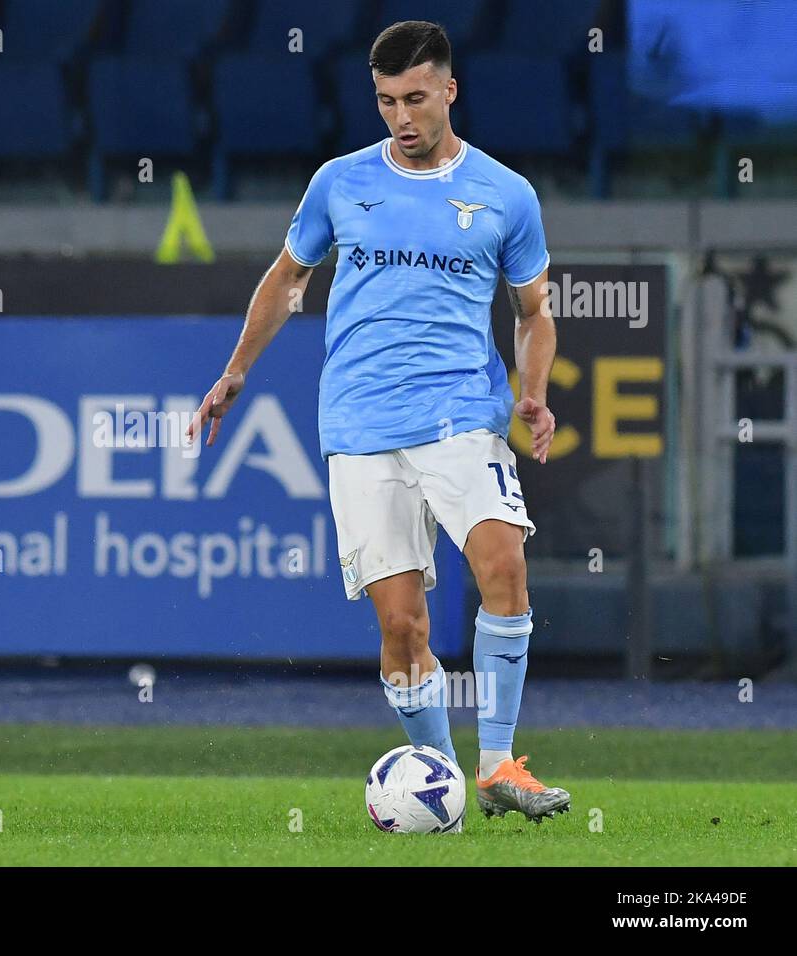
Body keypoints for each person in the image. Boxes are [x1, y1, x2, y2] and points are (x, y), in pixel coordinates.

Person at [188, 22, 570, 823]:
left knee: (502, 564)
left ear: (450, 91)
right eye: (388, 101)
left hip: (462, 413)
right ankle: (439, 785)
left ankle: (498, 764)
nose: (402, 115)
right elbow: (287, 279)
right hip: (359, 424)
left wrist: (530, 389)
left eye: (417, 98)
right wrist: (236, 371)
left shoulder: (506, 195)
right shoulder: (340, 182)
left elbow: (534, 311)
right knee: (403, 626)